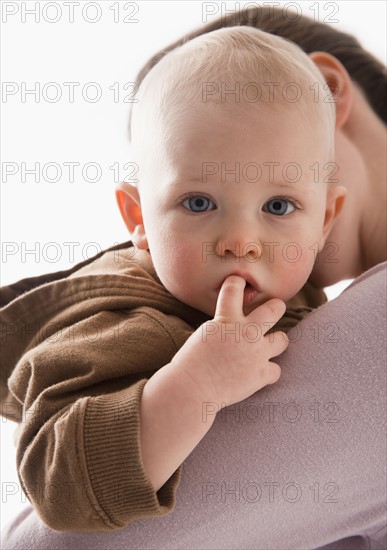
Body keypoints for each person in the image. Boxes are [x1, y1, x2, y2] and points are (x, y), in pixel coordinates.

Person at [1, 7, 386, 550]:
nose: (241, 239)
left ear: (325, 217)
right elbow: (59, 490)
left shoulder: (294, 293)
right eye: (199, 201)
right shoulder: (130, 323)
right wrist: (195, 388)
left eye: (278, 204)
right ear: (137, 220)